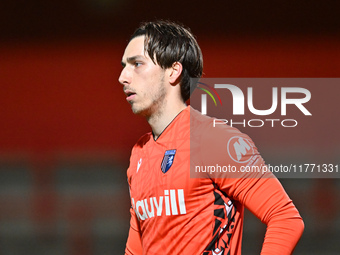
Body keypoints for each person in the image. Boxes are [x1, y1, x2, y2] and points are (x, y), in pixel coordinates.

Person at [119, 20, 304, 255]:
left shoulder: (215, 140)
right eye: (124, 66)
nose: (122, 77)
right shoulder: (139, 153)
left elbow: (284, 217)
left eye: (136, 64)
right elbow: (136, 249)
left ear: (173, 71)